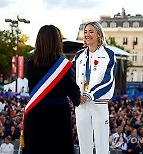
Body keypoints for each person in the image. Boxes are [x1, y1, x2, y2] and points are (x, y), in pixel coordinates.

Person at [24, 25, 80, 154]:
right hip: (58, 116)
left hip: (35, 114)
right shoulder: (63, 65)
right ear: (57, 42)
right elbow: (74, 93)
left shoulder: (30, 63)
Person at [73, 21, 116, 154]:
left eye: (91, 31)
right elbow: (71, 76)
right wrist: (75, 94)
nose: (87, 35)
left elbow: (108, 80)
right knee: (84, 143)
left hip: (99, 102)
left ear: (99, 34)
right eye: (85, 32)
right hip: (81, 103)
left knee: (101, 143)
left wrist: (90, 95)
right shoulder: (79, 55)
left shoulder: (108, 54)